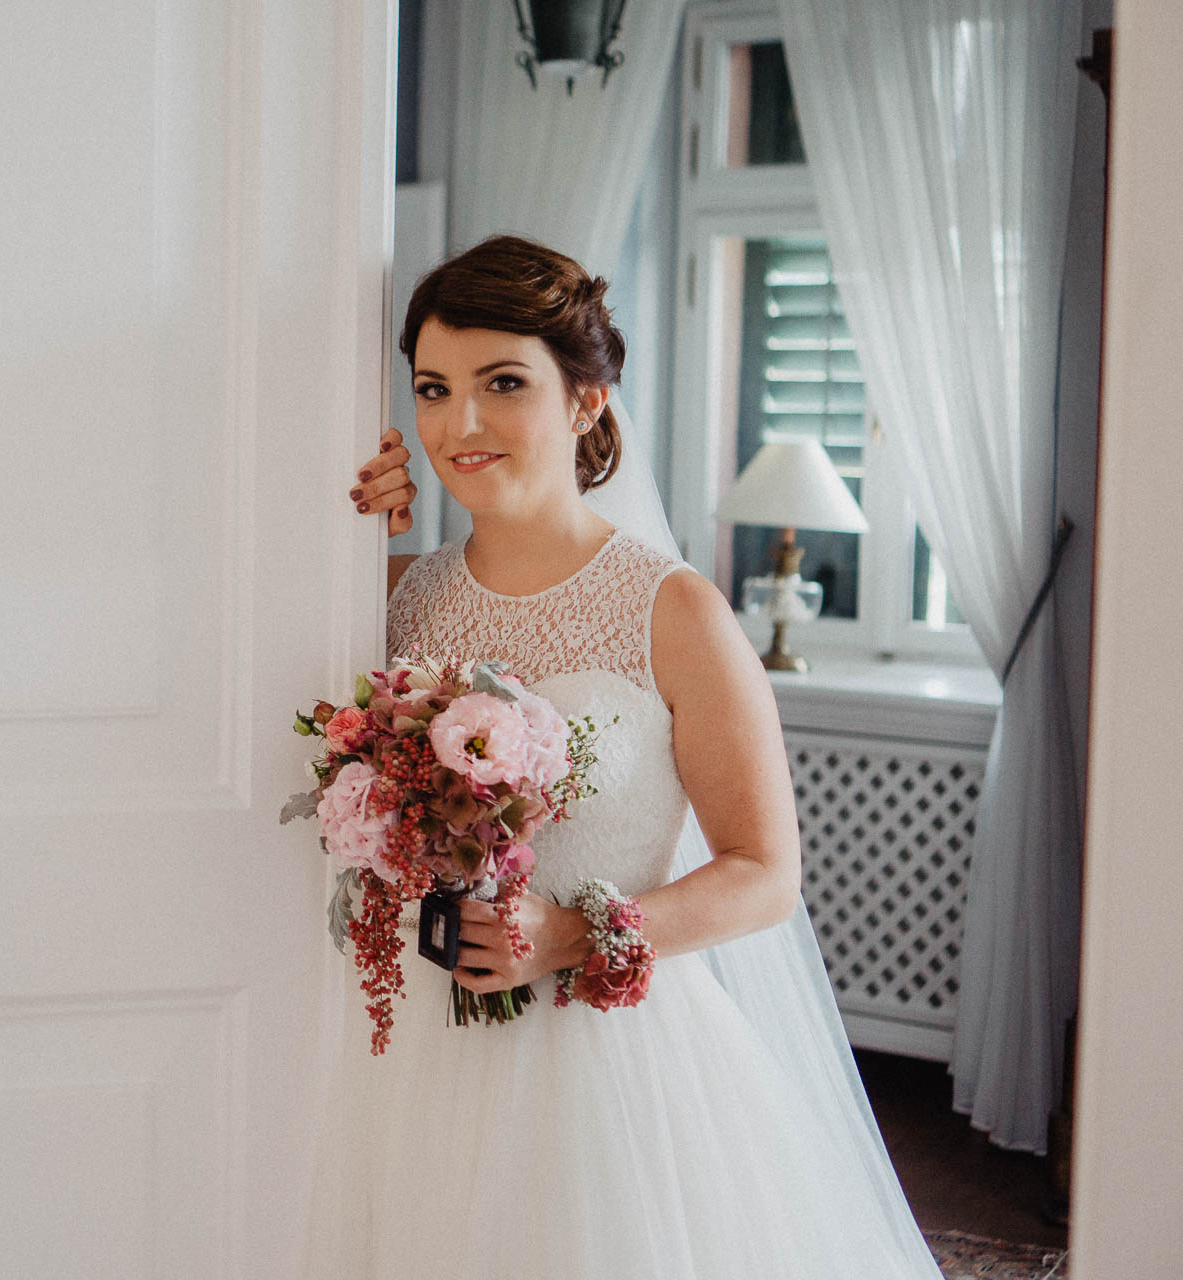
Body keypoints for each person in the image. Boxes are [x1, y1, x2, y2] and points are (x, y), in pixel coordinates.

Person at [303, 234, 945, 1278]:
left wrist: (565, 934)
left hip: (609, 1067)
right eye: (432, 387)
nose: (458, 424)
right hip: (414, 1053)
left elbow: (764, 875)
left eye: (503, 383)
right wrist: (338, 529)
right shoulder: (394, 593)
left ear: (587, 402)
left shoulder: (674, 608)